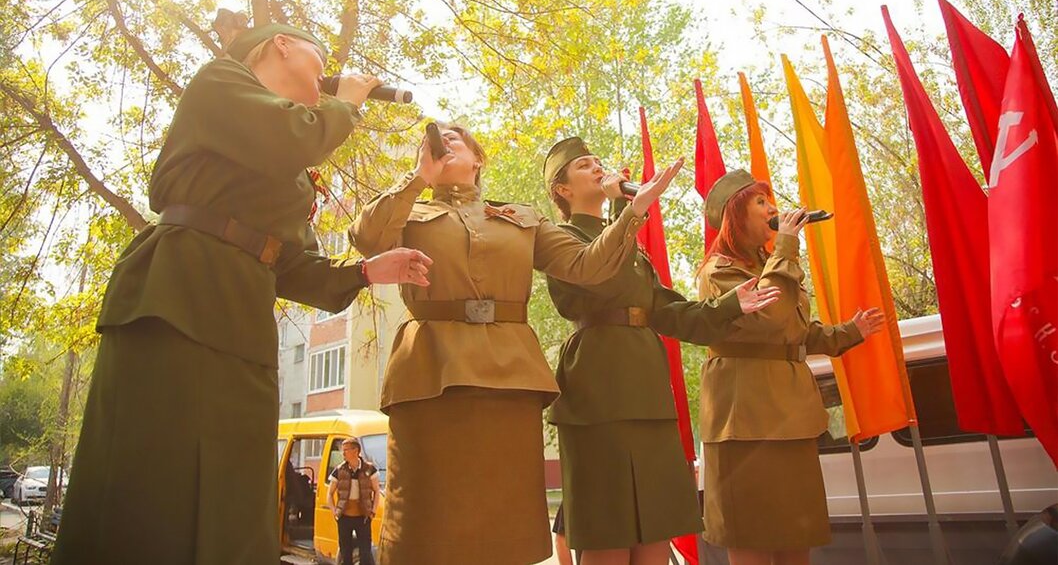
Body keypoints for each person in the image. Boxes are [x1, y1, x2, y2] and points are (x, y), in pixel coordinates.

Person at [50, 23, 432, 565]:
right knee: (151, 477)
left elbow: (294, 266)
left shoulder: (291, 169)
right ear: (281, 44)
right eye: (319, 59)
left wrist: (369, 271)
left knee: (235, 493)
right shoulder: (221, 83)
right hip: (176, 299)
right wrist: (346, 103)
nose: (325, 75)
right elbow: (291, 136)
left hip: (241, 322)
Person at [350, 124, 682, 564]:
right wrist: (418, 178)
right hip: (431, 376)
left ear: (478, 158)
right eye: (435, 141)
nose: (443, 143)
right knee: (425, 519)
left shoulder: (520, 219)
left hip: (508, 379)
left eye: (454, 138)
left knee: (504, 522)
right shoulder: (407, 211)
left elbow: (586, 266)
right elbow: (367, 239)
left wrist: (632, 211)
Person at [543, 137, 782, 565]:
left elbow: (667, 312)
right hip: (598, 392)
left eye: (598, 160)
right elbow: (599, 277)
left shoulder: (629, 245)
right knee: (607, 531)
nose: (597, 167)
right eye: (584, 165)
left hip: (648, 392)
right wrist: (627, 210)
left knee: (656, 528)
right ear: (562, 189)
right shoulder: (561, 238)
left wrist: (730, 305)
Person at [697, 169, 885, 565]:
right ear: (735, 215)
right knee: (750, 534)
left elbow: (794, 331)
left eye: (770, 200)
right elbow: (768, 317)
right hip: (745, 421)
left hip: (792, 416)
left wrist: (849, 332)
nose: (773, 209)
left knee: (797, 532)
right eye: (760, 202)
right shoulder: (719, 272)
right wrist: (786, 247)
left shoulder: (771, 263)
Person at [326, 438, 381, 565]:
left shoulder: (369, 469)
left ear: (356, 451)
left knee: (365, 553)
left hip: (363, 516)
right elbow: (329, 493)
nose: (343, 453)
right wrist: (335, 512)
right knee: (345, 552)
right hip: (344, 517)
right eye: (343, 450)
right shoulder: (340, 470)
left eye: (346, 450)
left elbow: (377, 491)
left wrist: (373, 511)